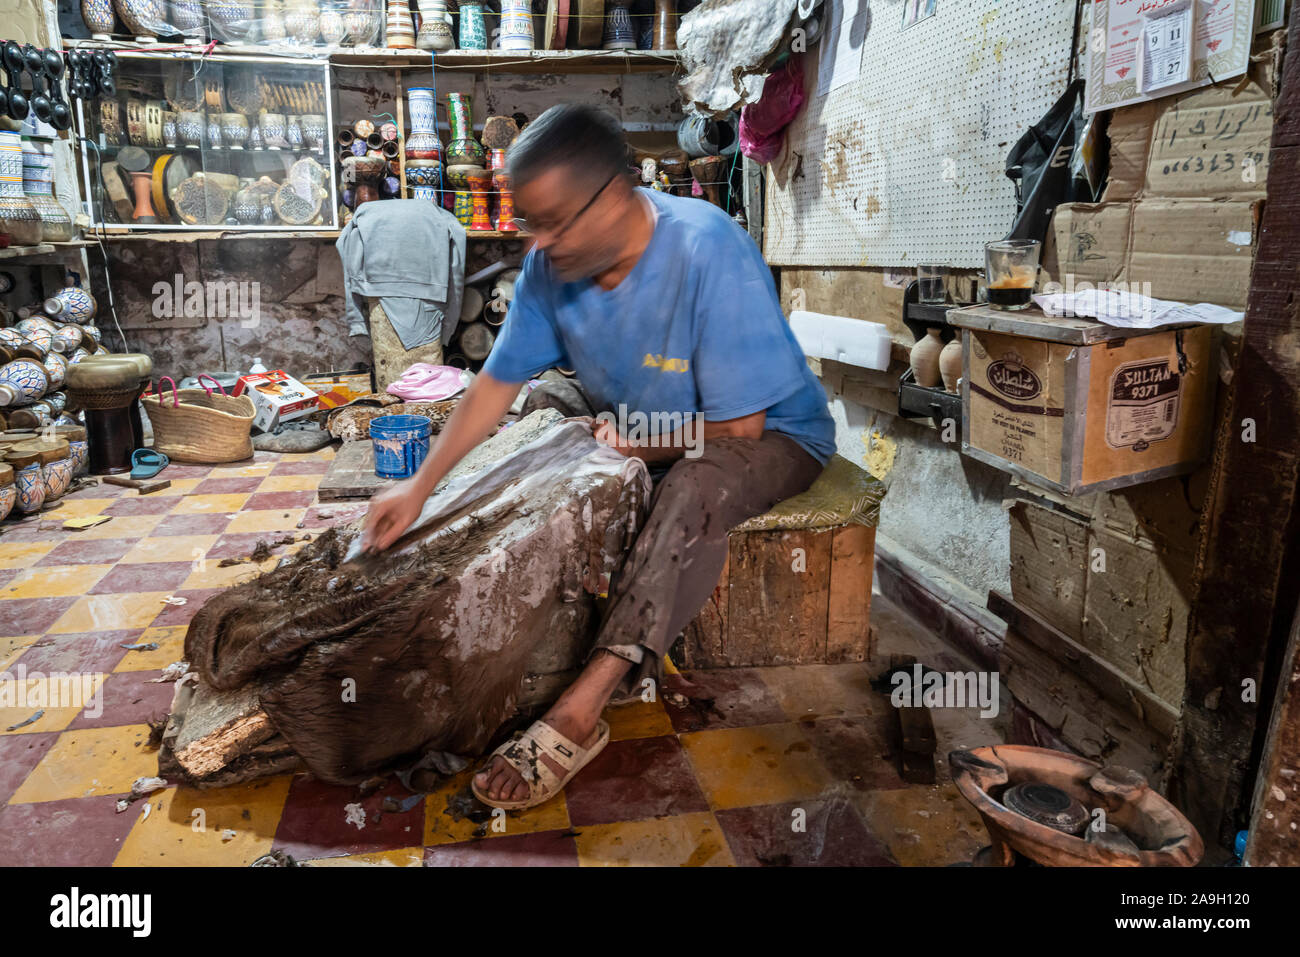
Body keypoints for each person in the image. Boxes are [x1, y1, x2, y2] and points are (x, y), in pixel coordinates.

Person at [362, 104, 836, 809]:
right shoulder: (552, 272)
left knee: (692, 488)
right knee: (542, 406)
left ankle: (583, 708)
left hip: (768, 435)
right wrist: (421, 489)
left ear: (614, 195)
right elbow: (493, 387)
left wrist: (640, 444)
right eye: (531, 223)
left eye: (555, 223)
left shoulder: (708, 247)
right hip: (642, 417)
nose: (539, 244)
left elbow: (738, 429)